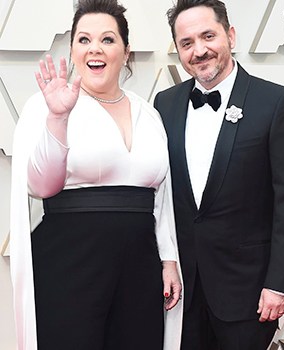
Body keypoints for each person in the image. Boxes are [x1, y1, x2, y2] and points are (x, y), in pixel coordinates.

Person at [9, 0, 182, 349]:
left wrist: (168, 259)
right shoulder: (44, 105)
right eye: (84, 40)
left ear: (126, 50)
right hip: (67, 262)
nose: (95, 49)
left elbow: (162, 197)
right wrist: (58, 119)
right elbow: (39, 186)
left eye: (107, 39)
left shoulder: (149, 114)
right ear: (72, 49)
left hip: (139, 265)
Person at [154, 0, 284, 349]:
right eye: (187, 43)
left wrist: (281, 283)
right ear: (177, 50)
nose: (199, 50)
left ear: (230, 35)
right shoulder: (164, 104)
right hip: (183, 293)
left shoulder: (277, 102)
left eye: (208, 36)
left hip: (249, 293)